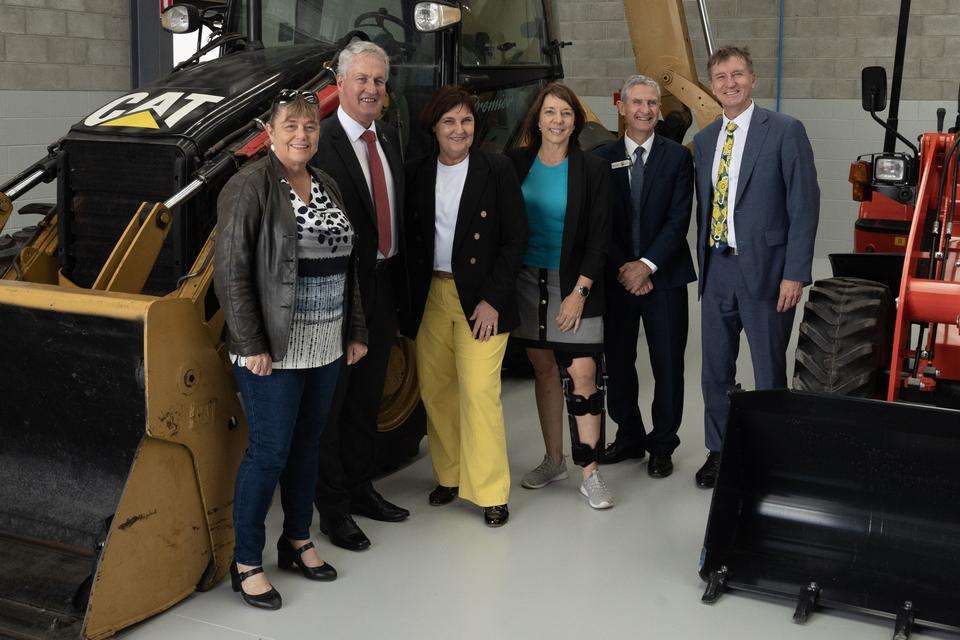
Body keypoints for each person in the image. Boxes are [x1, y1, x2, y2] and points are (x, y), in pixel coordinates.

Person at [213, 90, 369, 610]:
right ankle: (247, 562)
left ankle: (297, 540)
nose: (301, 135)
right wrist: (251, 343)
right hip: (273, 352)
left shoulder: (325, 183)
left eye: (309, 126)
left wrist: (355, 330)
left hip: (325, 344)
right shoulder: (248, 186)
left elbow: (348, 266)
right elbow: (230, 273)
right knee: (269, 452)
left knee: (309, 445)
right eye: (291, 126)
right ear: (271, 130)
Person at [692, 46, 819, 488]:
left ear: (753, 78)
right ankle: (719, 450)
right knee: (714, 370)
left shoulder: (784, 131)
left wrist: (795, 272)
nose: (730, 83)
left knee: (767, 370)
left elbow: (804, 206)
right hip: (718, 268)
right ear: (712, 86)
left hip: (767, 270)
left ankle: (771, 457)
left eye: (738, 74)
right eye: (721, 77)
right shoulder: (705, 140)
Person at [403, 86, 528, 527]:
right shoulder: (417, 171)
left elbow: (516, 240)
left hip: (480, 298)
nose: (459, 130)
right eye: (450, 122)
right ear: (434, 127)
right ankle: (451, 475)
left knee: (479, 393)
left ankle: (491, 491)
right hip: (431, 296)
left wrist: (493, 299)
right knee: (436, 391)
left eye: (466, 121)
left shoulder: (496, 167)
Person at [310, 41, 409, 551]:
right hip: (340, 298)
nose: (371, 89)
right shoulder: (321, 145)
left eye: (378, 81)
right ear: (341, 85)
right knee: (335, 404)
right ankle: (333, 509)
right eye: (362, 80)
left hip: (384, 287)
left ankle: (361, 487)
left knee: (369, 399)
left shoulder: (388, 138)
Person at [506, 83, 613, 509]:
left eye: (565, 114)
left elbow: (600, 237)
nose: (557, 121)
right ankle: (554, 460)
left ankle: (591, 472)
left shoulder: (593, 170)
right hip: (527, 282)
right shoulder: (514, 164)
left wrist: (579, 292)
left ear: (576, 121)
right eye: (550, 112)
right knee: (545, 368)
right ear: (537, 119)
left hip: (575, 283)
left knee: (583, 373)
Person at [594, 75, 696, 478]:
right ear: (621, 107)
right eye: (637, 102)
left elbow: (678, 219)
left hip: (665, 278)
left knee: (667, 363)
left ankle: (663, 443)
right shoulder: (601, 159)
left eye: (652, 103)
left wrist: (647, 265)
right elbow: (601, 223)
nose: (645, 110)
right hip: (618, 280)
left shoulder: (677, 158)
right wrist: (626, 267)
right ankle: (630, 435)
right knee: (618, 361)